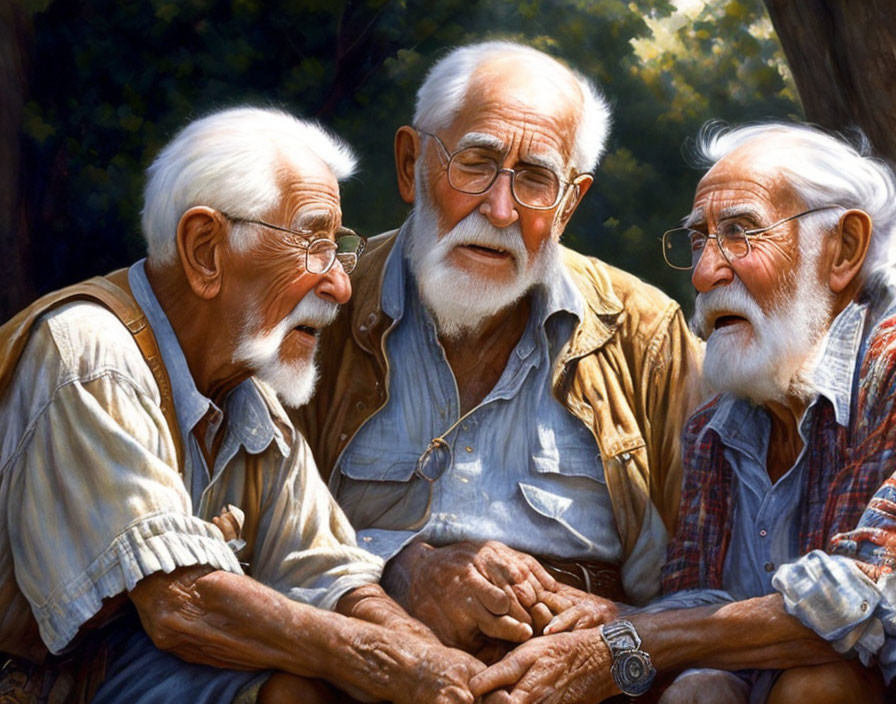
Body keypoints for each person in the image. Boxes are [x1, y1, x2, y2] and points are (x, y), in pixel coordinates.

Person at [0, 107, 484, 704]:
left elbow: (329, 576)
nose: (340, 285)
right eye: (314, 244)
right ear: (206, 251)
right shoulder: (89, 351)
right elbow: (181, 603)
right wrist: (385, 664)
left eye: (341, 249)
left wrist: (435, 662)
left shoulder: (244, 389)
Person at [294, 40, 703, 660]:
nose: (500, 208)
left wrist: (614, 631)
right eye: (475, 163)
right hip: (370, 661)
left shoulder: (645, 333)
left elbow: (714, 569)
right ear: (410, 164)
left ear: (569, 204)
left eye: (536, 178)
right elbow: (255, 537)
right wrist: (398, 570)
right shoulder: (323, 311)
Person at [467, 122, 896, 703]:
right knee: (698, 688)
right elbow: (701, 609)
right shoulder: (719, 423)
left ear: (842, 250)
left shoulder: (888, 370)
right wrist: (607, 619)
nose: (704, 274)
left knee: (819, 688)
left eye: (741, 234)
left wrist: (629, 638)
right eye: (699, 240)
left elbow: (868, 595)